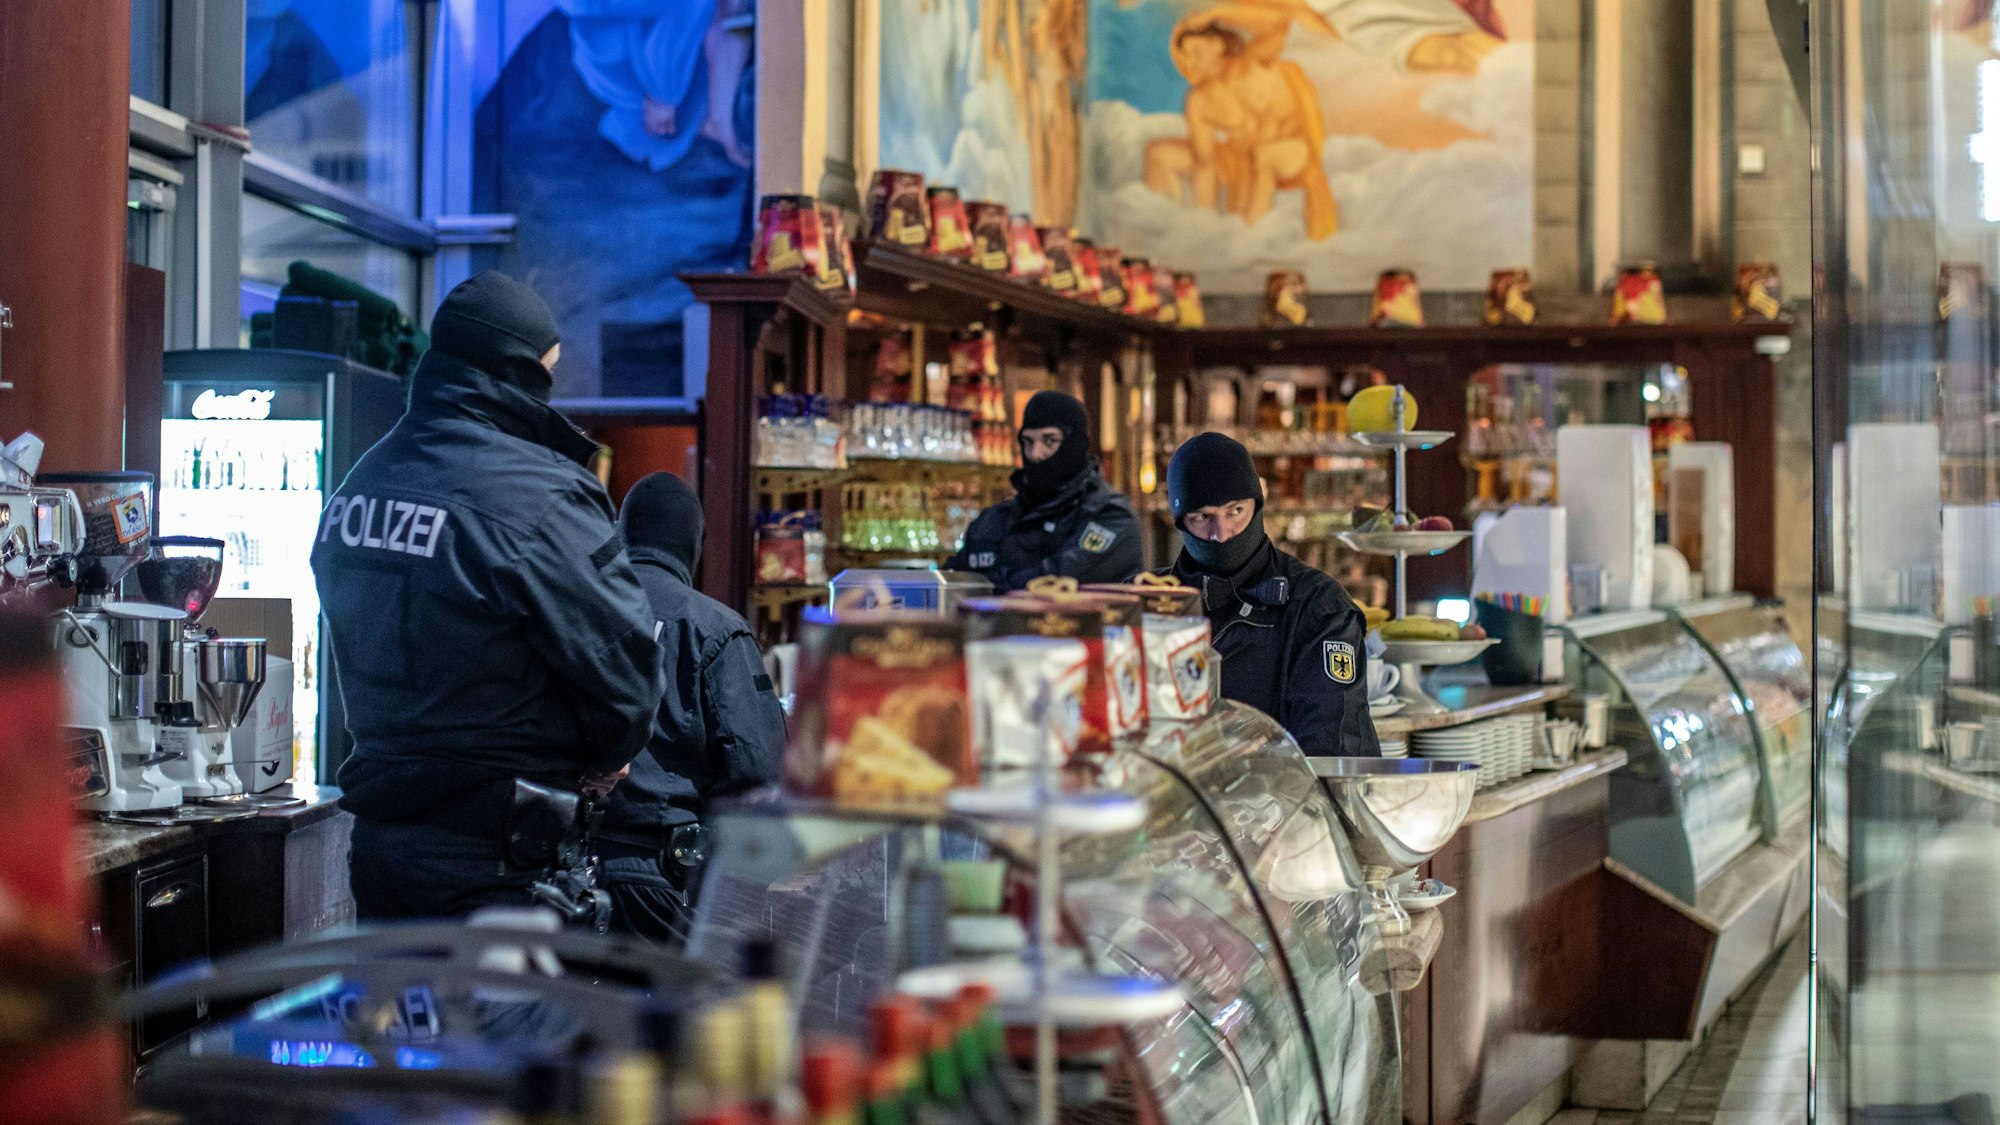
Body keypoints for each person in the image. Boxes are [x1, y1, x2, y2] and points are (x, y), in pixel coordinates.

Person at [312, 271, 665, 920]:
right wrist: (604, 757)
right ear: (519, 371)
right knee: (506, 1021)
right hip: (502, 861)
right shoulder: (540, 495)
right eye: (548, 371)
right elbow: (626, 674)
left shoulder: (357, 486)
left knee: (404, 1020)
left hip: (381, 850)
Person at [598, 472, 787, 945]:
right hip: (665, 877)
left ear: (621, 533)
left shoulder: (578, 607)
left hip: (571, 874)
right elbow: (759, 768)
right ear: (693, 543)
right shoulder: (715, 629)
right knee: (677, 1016)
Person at [1164, 432, 1380, 757]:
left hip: (1281, 802)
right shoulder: (1142, 604)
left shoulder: (1318, 607)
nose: (1221, 534)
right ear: (1181, 522)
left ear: (1257, 504)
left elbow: (1331, 749)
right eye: (1202, 517)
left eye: (1235, 511)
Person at [947, 390, 1142, 591]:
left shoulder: (1110, 516)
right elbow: (951, 582)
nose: (1035, 454)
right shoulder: (995, 520)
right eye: (1028, 442)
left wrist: (990, 586)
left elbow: (1055, 584)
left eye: (1049, 441)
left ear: (1075, 445)